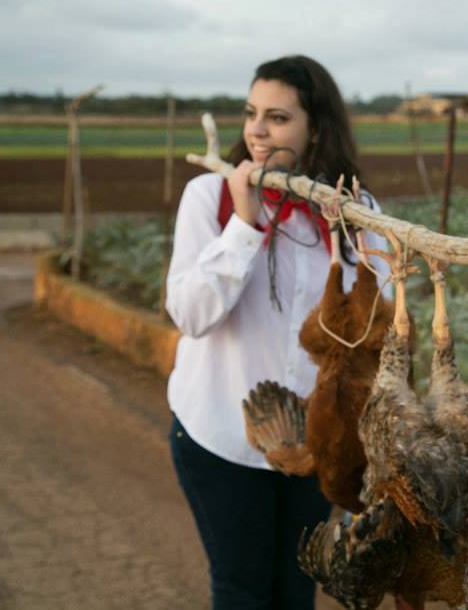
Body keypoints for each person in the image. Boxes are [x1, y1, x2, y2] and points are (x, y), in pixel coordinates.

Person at [166, 55, 387, 609]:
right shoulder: (208, 199)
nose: (256, 132)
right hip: (219, 436)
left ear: (316, 128)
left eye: (278, 118)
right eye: (251, 114)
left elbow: (369, 334)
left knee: (294, 592)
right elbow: (191, 316)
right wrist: (245, 226)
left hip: (314, 446)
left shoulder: (356, 212)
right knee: (242, 591)